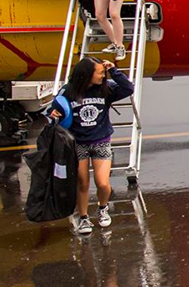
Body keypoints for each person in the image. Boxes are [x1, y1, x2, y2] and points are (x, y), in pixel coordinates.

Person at [46, 57, 134, 234]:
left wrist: (114, 70)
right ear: (87, 74)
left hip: (101, 141)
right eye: (100, 72)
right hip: (78, 143)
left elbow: (128, 88)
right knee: (82, 182)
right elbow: (54, 109)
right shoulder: (68, 91)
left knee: (102, 183)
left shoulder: (105, 89)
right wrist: (53, 113)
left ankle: (103, 208)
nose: (103, 76)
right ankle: (84, 218)